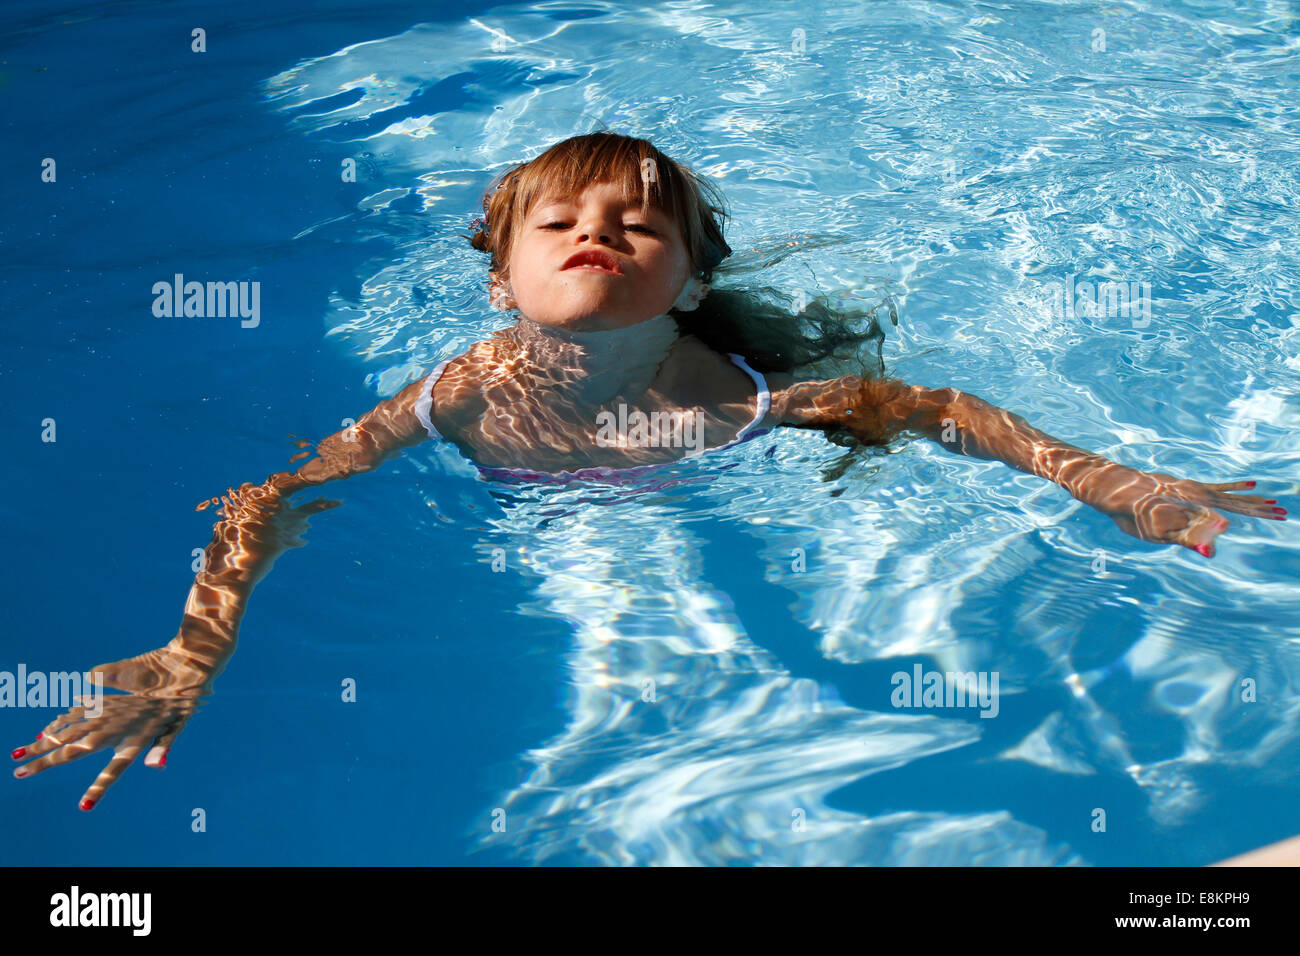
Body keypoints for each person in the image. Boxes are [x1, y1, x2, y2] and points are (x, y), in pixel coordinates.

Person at [10, 132, 1286, 811]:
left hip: (693, 472)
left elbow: (944, 406)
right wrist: (196, 646)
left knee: (867, 441)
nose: (598, 236)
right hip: (535, 490)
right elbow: (270, 497)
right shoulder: (457, 395)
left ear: (691, 278)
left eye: (638, 224)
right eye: (557, 224)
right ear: (499, 276)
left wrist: (1116, 482)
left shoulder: (732, 396)